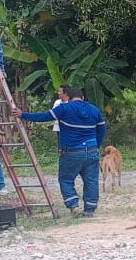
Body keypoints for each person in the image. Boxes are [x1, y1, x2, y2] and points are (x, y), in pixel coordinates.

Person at [12, 86, 106, 217]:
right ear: (83, 97)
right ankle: (90, 209)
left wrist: (23, 115)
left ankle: (74, 207)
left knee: (66, 179)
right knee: (91, 180)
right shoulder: (94, 110)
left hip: (71, 151)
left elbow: (45, 116)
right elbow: (102, 130)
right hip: (92, 150)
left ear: (69, 98)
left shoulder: (64, 108)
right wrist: (97, 146)